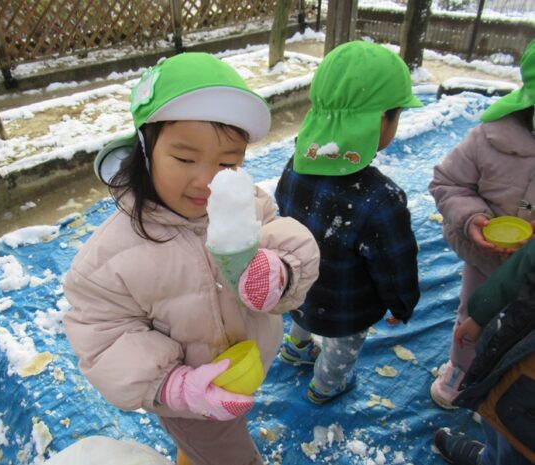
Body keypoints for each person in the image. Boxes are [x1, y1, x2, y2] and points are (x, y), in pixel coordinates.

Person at [62, 52, 320, 465]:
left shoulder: (244, 203)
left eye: (228, 162)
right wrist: (176, 387)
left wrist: (281, 270)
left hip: (245, 367)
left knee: (204, 450)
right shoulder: (109, 259)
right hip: (189, 402)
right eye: (184, 159)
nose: (207, 180)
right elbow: (104, 338)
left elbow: (283, 235)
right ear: (145, 150)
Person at [275, 40, 421, 404]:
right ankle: (326, 385)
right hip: (346, 307)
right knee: (341, 348)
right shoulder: (381, 200)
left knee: (302, 314)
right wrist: (402, 305)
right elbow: (395, 266)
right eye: (396, 115)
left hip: (298, 288)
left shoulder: (295, 164)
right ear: (380, 121)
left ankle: (296, 348)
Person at [428, 38, 535, 410]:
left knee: (521, 329)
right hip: (486, 256)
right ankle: (461, 371)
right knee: (473, 314)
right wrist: (472, 217)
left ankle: (504, 383)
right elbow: (447, 182)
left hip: (533, 270)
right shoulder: (489, 138)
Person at [434, 237, 535, 465]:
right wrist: (483, 311)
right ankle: (491, 457)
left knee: (520, 446)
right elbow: (527, 261)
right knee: (503, 424)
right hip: (518, 375)